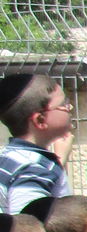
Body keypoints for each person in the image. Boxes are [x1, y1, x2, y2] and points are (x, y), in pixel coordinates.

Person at [0, 74, 73, 214]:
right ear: (40, 120)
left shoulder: (8, 158)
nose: (70, 107)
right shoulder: (34, 169)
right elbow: (29, 226)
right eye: (63, 104)